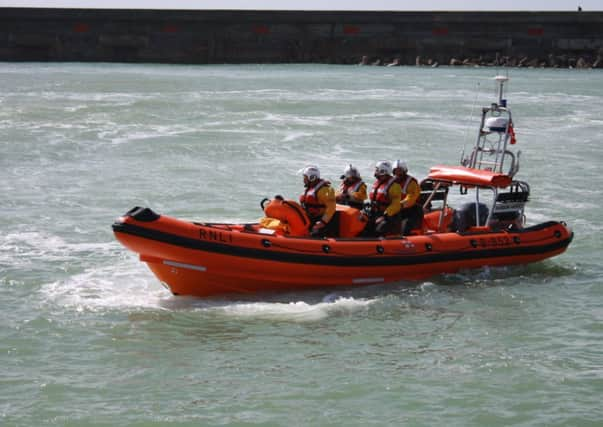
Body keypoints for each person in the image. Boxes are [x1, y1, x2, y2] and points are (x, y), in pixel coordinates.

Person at [299, 165, 337, 237]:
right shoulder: (309, 189)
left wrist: (322, 222)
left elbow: (331, 208)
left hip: (319, 220)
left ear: (312, 178)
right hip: (309, 218)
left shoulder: (325, 190)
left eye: (305, 178)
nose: (304, 180)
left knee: (314, 234)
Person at [367, 160, 402, 237]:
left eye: (377, 170)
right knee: (365, 226)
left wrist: (385, 216)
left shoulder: (394, 186)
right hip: (376, 213)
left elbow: (396, 205)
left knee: (379, 229)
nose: (375, 172)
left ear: (383, 171)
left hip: (389, 217)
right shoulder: (378, 183)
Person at [393, 159, 423, 235]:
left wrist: (399, 204)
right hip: (396, 210)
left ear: (404, 171)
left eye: (400, 171)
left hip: (411, 211)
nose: (397, 173)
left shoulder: (411, 183)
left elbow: (411, 199)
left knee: (405, 226)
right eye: (395, 171)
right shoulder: (391, 182)